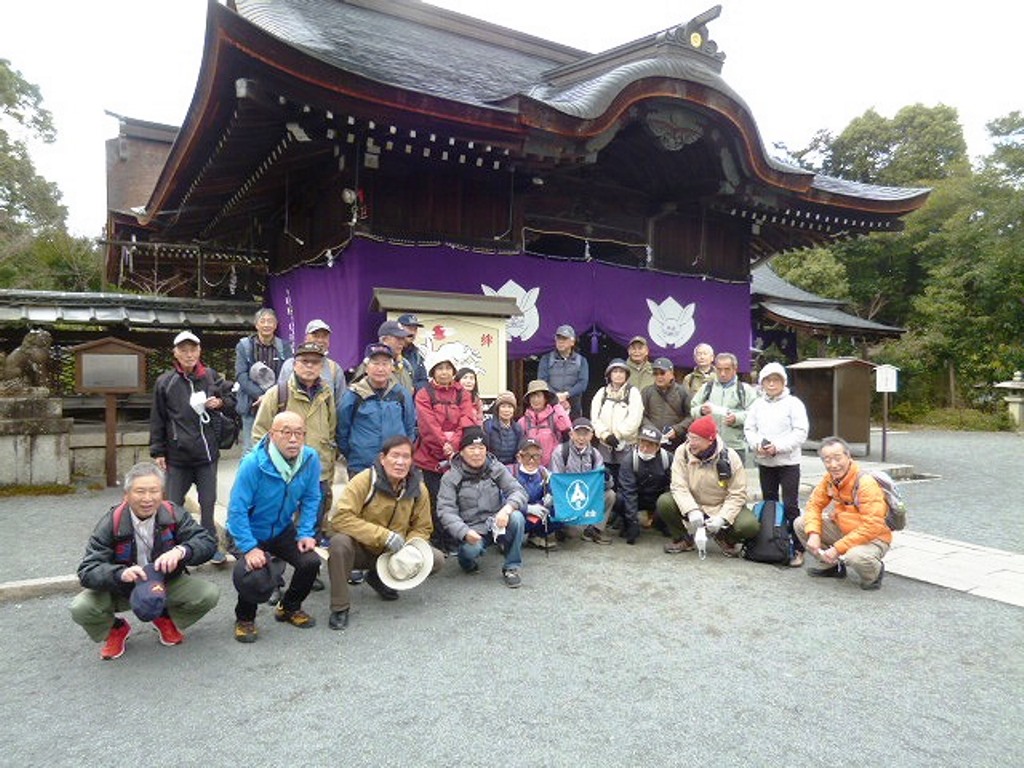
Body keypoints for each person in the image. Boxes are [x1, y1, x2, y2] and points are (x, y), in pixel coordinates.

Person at [71, 461, 220, 660]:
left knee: (208, 594)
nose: (147, 499)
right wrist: (119, 573)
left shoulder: (174, 513)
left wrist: (182, 551)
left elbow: (207, 543)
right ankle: (115, 630)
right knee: (81, 608)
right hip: (121, 588)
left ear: (162, 493)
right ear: (126, 495)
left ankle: (163, 617)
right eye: (140, 491)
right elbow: (87, 570)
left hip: (164, 582)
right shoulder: (111, 522)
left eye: (154, 491)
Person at [326, 435, 444, 630]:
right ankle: (340, 606)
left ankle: (379, 576)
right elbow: (341, 518)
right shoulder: (364, 480)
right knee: (339, 544)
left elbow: (422, 527)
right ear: (382, 458)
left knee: (436, 559)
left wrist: (410, 547)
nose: (400, 462)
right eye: (395, 456)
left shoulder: (418, 488)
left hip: (394, 552)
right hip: (361, 548)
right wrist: (383, 536)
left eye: (406, 457)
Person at [226, 411, 322, 642]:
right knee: (255, 574)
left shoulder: (310, 458)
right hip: (250, 530)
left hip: (281, 528)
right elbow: (237, 509)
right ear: (272, 434)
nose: (293, 439)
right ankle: (245, 618)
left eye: (299, 433)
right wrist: (249, 548)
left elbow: (311, 497)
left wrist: (305, 532)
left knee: (310, 561)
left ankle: (289, 607)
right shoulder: (253, 463)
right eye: (286, 432)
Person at [149, 330, 234, 564]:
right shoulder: (165, 382)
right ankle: (171, 545)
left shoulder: (211, 377)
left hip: (207, 453)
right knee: (173, 504)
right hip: (178, 454)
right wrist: (158, 450)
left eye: (193, 349)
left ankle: (209, 546)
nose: (189, 354)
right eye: (183, 350)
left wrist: (220, 402)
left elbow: (232, 400)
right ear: (175, 353)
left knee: (207, 504)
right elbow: (157, 417)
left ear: (199, 351)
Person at [253, 340, 338, 575]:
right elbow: (260, 433)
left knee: (311, 523)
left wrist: (328, 459)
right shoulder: (278, 393)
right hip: (281, 472)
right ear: (294, 364)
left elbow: (331, 429)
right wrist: (270, 467)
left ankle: (307, 572)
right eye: (304, 361)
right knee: (277, 524)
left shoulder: (327, 394)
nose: (310, 366)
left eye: (315, 362)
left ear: (322, 366)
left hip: (317, 470)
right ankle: (273, 576)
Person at [437, 426, 529, 588]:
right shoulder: (450, 477)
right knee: (471, 550)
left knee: (517, 518)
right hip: (471, 529)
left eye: (481, 448)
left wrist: (506, 509)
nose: (477, 453)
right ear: (461, 452)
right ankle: (467, 562)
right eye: (471, 448)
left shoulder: (496, 467)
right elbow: (445, 511)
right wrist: (464, 532)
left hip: (496, 522)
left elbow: (518, 491)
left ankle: (511, 567)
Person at [795, 436, 891, 590]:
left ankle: (874, 573)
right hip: (844, 529)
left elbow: (872, 526)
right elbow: (814, 505)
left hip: (874, 537)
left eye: (838, 458)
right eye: (827, 460)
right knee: (801, 523)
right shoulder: (830, 479)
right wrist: (813, 533)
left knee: (855, 556)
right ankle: (831, 566)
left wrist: (837, 549)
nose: (833, 465)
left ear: (848, 456)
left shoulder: (865, 483)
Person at [660, 414, 758, 556]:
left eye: (696, 439)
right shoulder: (682, 452)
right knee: (665, 502)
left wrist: (722, 518)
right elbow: (678, 486)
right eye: (689, 437)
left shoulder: (730, 457)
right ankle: (683, 539)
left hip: (720, 505)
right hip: (694, 503)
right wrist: (691, 510)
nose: (690, 443)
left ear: (710, 440)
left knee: (749, 526)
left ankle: (726, 538)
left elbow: (737, 494)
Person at [744, 362, 810, 567]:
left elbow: (801, 432)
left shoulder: (794, 403)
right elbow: (749, 429)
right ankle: (771, 543)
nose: (772, 384)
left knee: (790, 506)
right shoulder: (757, 405)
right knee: (770, 504)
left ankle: (798, 547)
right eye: (767, 380)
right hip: (765, 462)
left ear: (784, 382)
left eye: (776, 380)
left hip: (788, 462)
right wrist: (758, 445)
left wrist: (778, 447)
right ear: (762, 383)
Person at [413, 346, 478, 547]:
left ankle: (455, 536)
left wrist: (454, 444)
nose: (444, 372)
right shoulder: (424, 394)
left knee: (457, 496)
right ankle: (438, 538)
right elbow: (427, 424)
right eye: (439, 368)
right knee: (435, 497)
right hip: (430, 455)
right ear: (433, 371)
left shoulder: (462, 393)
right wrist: (444, 445)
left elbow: (466, 418)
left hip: (457, 455)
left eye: (448, 368)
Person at [337, 342, 416, 477]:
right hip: (362, 465)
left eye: (385, 364)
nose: (380, 369)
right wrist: (356, 453)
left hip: (395, 465)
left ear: (391, 367)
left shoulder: (401, 394)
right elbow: (342, 431)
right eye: (375, 363)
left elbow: (410, 427)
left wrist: (402, 454)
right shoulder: (353, 395)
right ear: (366, 367)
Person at [234, 308, 292, 455]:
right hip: (251, 404)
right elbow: (241, 375)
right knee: (250, 449)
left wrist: (269, 396)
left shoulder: (284, 347)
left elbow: (287, 374)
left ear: (276, 325)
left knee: (277, 447)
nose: (266, 324)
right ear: (256, 324)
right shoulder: (244, 346)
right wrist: (259, 394)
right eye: (263, 321)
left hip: (277, 403)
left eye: (270, 321)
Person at [549, 417, 616, 545]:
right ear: (571, 434)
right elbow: (555, 483)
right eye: (578, 433)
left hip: (588, 497)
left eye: (585, 434)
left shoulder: (595, 454)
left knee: (610, 495)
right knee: (573, 533)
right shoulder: (560, 452)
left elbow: (605, 486)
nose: (581, 438)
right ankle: (561, 526)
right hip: (566, 498)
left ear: (591, 436)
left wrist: (607, 478)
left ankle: (595, 529)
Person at [689, 352, 757, 465]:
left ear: (735, 369)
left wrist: (737, 418)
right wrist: (701, 411)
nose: (723, 373)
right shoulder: (707, 388)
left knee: (735, 476)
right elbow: (692, 410)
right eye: (719, 369)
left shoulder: (744, 390)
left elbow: (755, 414)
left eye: (727, 369)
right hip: (709, 446)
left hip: (735, 446)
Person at [614, 426, 678, 544]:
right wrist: (632, 521)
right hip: (637, 497)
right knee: (618, 498)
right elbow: (629, 491)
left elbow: (674, 485)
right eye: (642, 444)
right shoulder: (629, 460)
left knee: (669, 499)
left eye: (649, 446)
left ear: (658, 447)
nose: (644, 449)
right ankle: (626, 522)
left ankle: (662, 522)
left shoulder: (668, 459)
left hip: (658, 498)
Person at [591, 358, 644, 489]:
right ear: (609, 375)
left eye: (621, 372)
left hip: (626, 445)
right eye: (615, 371)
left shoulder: (633, 392)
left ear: (626, 375)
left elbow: (635, 418)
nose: (618, 374)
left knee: (626, 481)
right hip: (605, 446)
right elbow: (594, 417)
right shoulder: (602, 392)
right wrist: (605, 435)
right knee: (606, 480)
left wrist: (618, 434)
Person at [276, 319, 347, 406]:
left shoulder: (335, 369)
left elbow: (341, 405)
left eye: (324, 336)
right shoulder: (289, 365)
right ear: (306, 339)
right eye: (316, 336)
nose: (320, 340)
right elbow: (279, 398)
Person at [507, 437, 560, 550]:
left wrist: (549, 498)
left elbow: (552, 492)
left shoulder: (544, 472)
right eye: (527, 456)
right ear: (519, 457)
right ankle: (507, 540)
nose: (531, 461)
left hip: (537, 514)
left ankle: (537, 536)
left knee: (559, 509)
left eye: (536, 456)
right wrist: (527, 508)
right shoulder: (509, 472)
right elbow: (501, 500)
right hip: (516, 514)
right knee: (514, 517)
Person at [641, 356, 692, 453]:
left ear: (671, 374)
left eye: (662, 373)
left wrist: (676, 430)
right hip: (651, 442)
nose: (659, 377)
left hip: (676, 443)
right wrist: (651, 430)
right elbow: (641, 415)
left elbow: (691, 416)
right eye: (655, 373)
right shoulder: (647, 392)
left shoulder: (682, 392)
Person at [537, 324, 589, 419]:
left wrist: (566, 394)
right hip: (550, 404)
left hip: (573, 407)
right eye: (558, 338)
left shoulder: (581, 360)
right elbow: (542, 381)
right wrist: (556, 396)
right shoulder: (546, 359)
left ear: (572, 342)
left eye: (564, 339)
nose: (560, 341)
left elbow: (582, 383)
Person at [517, 379, 572, 467]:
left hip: (553, 467)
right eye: (532, 396)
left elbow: (567, 426)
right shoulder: (523, 421)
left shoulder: (555, 417)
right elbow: (518, 447)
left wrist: (556, 405)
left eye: (539, 396)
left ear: (545, 398)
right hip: (531, 468)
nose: (535, 399)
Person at [352, 320, 416, 392]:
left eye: (403, 339)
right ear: (384, 340)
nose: (402, 343)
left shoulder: (405, 365)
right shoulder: (369, 366)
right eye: (398, 338)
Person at [483, 390, 523, 466]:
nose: (506, 410)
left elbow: (518, 453)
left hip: (511, 468)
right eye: (503, 406)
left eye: (510, 407)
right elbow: (485, 452)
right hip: (492, 467)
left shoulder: (517, 429)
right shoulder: (488, 426)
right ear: (498, 409)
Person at [397, 313, 429, 391]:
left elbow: (423, 381)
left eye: (415, 329)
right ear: (399, 329)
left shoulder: (417, 354)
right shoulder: (387, 351)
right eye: (409, 328)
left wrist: (414, 388)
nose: (413, 333)